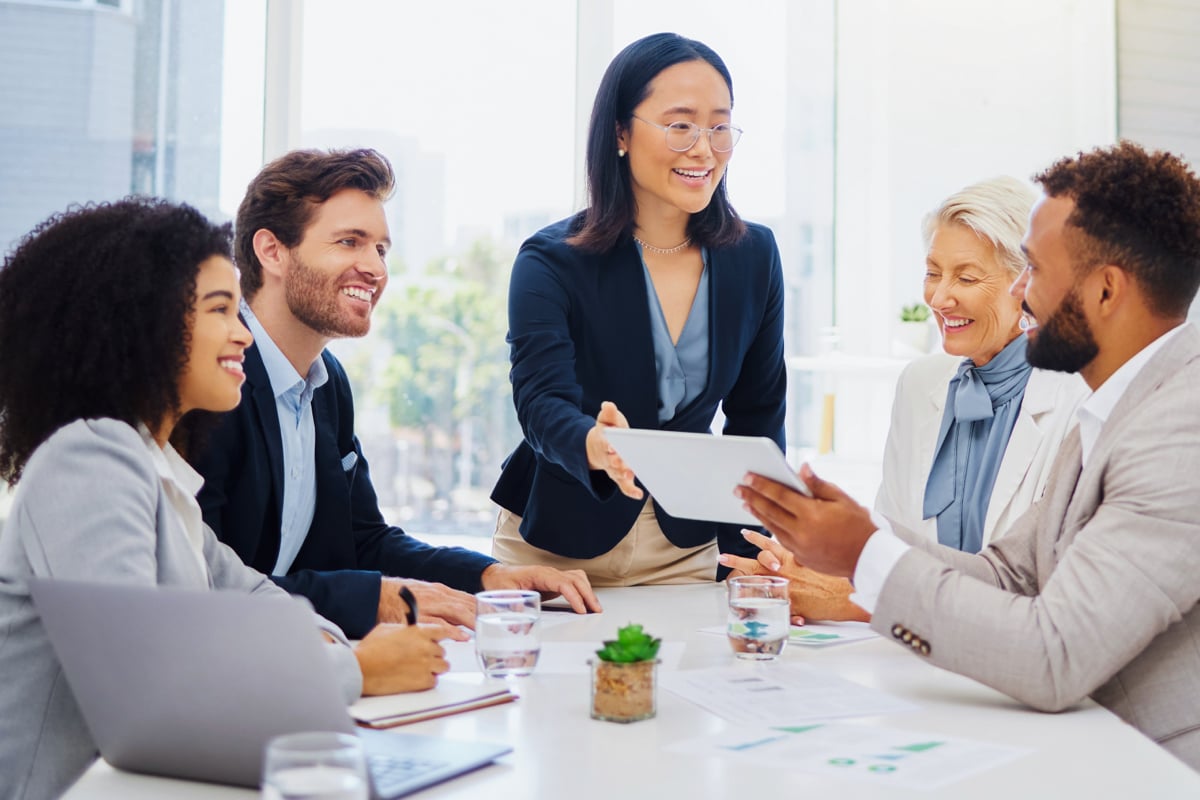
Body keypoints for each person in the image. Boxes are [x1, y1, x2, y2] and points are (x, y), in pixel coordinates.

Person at [736, 141, 1200, 769]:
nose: (1024, 293)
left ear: (1106, 290)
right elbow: (1011, 574)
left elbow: (1055, 655)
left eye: (1032, 269)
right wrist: (854, 539)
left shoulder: (1180, 431)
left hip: (1148, 766)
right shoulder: (1118, 405)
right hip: (1079, 739)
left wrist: (863, 554)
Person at [0, 199, 453, 800]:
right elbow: (144, 686)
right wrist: (358, 669)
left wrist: (321, 649)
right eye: (221, 309)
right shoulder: (90, 457)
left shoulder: (159, 474)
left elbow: (262, 604)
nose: (243, 332)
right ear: (143, 323)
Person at [190, 148, 600, 640]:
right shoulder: (213, 379)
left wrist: (488, 576)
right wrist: (373, 599)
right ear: (272, 251)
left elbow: (363, 541)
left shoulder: (327, 385)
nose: (375, 268)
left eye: (380, 249)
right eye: (349, 242)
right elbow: (202, 581)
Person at [489, 32, 787, 585]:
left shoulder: (754, 255)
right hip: (557, 545)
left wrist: (758, 548)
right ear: (621, 133)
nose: (704, 148)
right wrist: (594, 445)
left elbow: (759, 415)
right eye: (680, 125)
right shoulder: (551, 260)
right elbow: (539, 401)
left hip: (689, 545)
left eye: (719, 126)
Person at [721, 176, 1088, 622]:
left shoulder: (1079, 402)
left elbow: (1038, 591)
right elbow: (891, 546)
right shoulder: (920, 384)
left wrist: (857, 602)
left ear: (1024, 283)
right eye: (932, 273)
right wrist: (804, 571)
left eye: (966, 277)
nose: (938, 297)